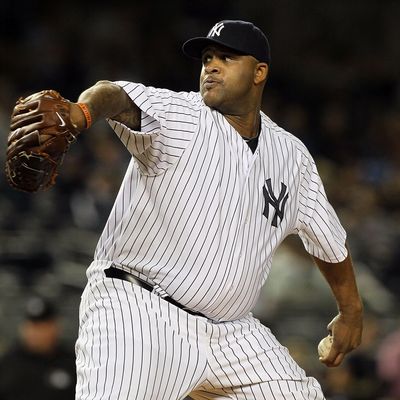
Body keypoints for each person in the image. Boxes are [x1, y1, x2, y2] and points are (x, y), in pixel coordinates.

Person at [18, 20, 364, 399]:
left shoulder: (291, 157)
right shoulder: (181, 114)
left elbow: (330, 242)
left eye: (227, 58)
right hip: (139, 311)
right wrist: (83, 112)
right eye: (208, 58)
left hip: (233, 333)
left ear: (259, 72)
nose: (211, 66)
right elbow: (113, 94)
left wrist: (350, 312)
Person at [0, 296, 76, 400]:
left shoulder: (72, 362)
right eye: (33, 326)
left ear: (55, 327)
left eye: (42, 326)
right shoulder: (7, 364)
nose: (36, 333)